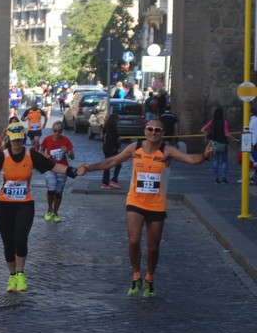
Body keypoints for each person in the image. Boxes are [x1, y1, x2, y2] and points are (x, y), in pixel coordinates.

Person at [78, 119, 214, 297]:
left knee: (152, 248)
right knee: (133, 241)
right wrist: (90, 168)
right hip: (135, 202)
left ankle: (149, 278)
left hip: (156, 205)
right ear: (145, 130)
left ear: (162, 133)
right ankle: (136, 276)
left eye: (157, 130)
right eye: (150, 129)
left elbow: (190, 159)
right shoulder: (135, 148)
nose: (153, 132)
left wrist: (204, 156)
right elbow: (112, 161)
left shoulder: (167, 150)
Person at [0, 122, 79, 292]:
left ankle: (20, 273)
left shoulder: (31, 155)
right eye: (14, 140)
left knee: (20, 237)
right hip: (3, 204)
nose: (17, 144)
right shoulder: (3, 157)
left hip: (25, 203)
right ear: (9, 140)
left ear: (23, 139)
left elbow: (54, 166)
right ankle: (11, 276)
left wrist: (73, 171)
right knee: (8, 242)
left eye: (19, 140)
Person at [39, 121, 75, 222]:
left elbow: (72, 156)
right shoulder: (47, 139)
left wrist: (67, 151)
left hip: (62, 169)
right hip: (49, 167)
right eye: (55, 130)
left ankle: (55, 212)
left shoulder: (66, 141)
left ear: (62, 131)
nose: (57, 133)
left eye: (59, 131)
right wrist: (45, 156)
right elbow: (41, 150)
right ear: (52, 130)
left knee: (58, 192)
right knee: (51, 189)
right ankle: (49, 209)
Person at [201, 108, 237, 184]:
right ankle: (224, 177)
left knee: (215, 161)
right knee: (224, 161)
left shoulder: (212, 122)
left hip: (215, 144)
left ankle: (216, 178)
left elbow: (203, 129)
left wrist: (209, 136)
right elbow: (227, 134)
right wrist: (235, 139)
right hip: (223, 144)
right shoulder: (225, 122)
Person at [100, 114, 122, 189]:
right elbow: (115, 140)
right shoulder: (113, 129)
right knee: (118, 163)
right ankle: (113, 180)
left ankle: (105, 182)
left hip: (106, 147)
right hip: (112, 148)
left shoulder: (106, 127)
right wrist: (118, 148)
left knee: (107, 165)